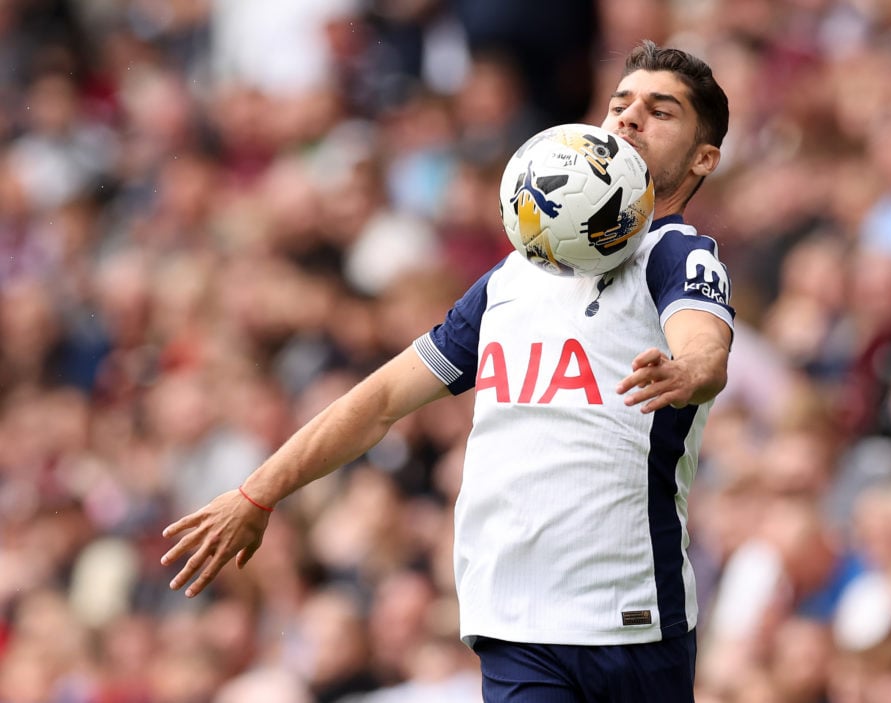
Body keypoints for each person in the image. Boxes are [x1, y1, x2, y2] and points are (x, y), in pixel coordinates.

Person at [162, 39, 732, 703]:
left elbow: (705, 344)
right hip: (515, 624)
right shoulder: (512, 280)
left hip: (630, 620)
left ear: (703, 157)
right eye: (620, 104)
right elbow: (380, 399)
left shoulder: (677, 253)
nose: (630, 119)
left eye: (660, 112)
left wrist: (689, 371)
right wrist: (259, 492)